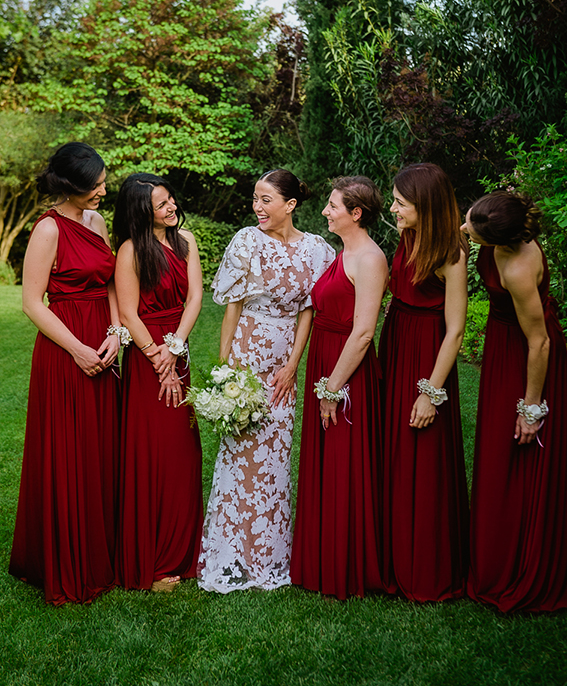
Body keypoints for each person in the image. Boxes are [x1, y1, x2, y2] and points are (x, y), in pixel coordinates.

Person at [197, 169, 335, 593]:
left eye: (266, 199)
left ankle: (269, 556)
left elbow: (309, 309)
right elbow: (233, 307)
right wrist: (225, 366)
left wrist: (294, 363)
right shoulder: (246, 241)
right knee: (239, 453)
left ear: (290, 205)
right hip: (246, 355)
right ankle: (231, 551)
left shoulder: (316, 249)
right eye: (255, 199)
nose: (257, 207)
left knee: (275, 458)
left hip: (283, 362)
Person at [9, 142, 122, 605]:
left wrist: (117, 331)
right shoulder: (47, 229)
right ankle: (67, 558)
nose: (102, 190)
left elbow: (112, 280)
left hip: (104, 339)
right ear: (70, 187)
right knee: (69, 449)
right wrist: (77, 349)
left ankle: (102, 550)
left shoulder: (96, 221)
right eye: (94, 185)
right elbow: (33, 303)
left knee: (100, 448)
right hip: (65, 347)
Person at [462, 191, 567, 613]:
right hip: (502, 346)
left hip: (528, 358)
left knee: (518, 454)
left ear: (499, 241)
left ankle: (521, 568)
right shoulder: (499, 238)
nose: (463, 228)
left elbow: (540, 341)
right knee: (494, 454)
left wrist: (531, 408)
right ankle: (491, 558)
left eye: (470, 226)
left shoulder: (518, 267)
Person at [291, 176, 389, 599]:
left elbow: (364, 331)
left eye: (333, 206)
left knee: (345, 463)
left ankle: (347, 564)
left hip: (348, 373)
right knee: (326, 462)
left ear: (356, 213)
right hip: (327, 361)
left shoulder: (369, 258)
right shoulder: (342, 251)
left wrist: (333, 389)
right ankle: (320, 557)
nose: (326, 211)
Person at [379, 163, 469, 602]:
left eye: (400, 203)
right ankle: (392, 554)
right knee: (394, 450)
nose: (393, 208)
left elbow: (455, 329)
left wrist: (430, 392)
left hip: (428, 352)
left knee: (425, 457)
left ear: (426, 207)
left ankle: (426, 565)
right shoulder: (406, 236)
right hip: (397, 342)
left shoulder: (452, 252)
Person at [114, 173, 204, 592]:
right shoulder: (131, 251)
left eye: (170, 201)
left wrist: (176, 348)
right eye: (160, 204)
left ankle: (186, 550)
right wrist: (157, 358)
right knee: (153, 452)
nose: (170, 208)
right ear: (141, 212)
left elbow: (195, 299)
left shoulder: (186, 241)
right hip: (146, 358)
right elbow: (129, 313)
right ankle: (154, 559)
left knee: (183, 452)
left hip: (176, 350)